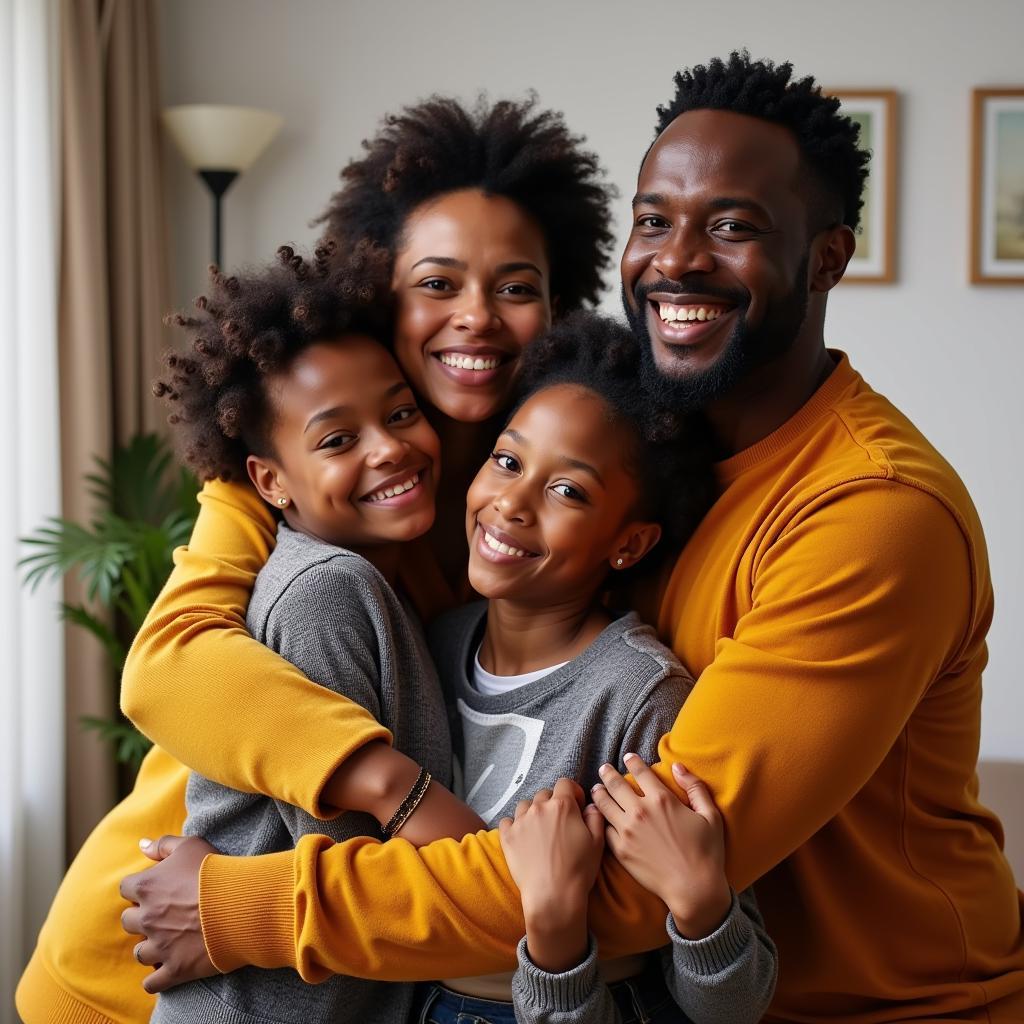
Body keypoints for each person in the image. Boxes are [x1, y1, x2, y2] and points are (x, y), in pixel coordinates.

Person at [114, 52, 1024, 1022]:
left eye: (731, 226)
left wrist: (240, 905)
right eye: (653, 221)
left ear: (828, 257)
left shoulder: (871, 513)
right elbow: (168, 658)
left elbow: (627, 885)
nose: (676, 260)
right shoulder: (444, 466)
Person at [15, 94, 614, 1024]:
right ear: (386, 296)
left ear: (556, 303)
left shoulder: (539, 499)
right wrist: (395, 789)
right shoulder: (279, 493)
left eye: (516, 287)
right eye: (439, 284)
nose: (478, 320)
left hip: (310, 953)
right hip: (147, 949)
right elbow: (168, 666)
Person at [150, 245, 490, 1024]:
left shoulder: (379, 571)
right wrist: (503, 872)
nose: (389, 447)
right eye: (337, 440)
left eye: (401, 413)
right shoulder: (327, 592)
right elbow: (348, 880)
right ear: (270, 481)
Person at [413, 312, 775, 1024]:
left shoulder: (640, 692)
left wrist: (695, 901)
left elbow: (732, 1007)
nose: (511, 504)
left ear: (629, 543)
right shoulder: (434, 642)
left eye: (568, 491)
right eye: (508, 461)